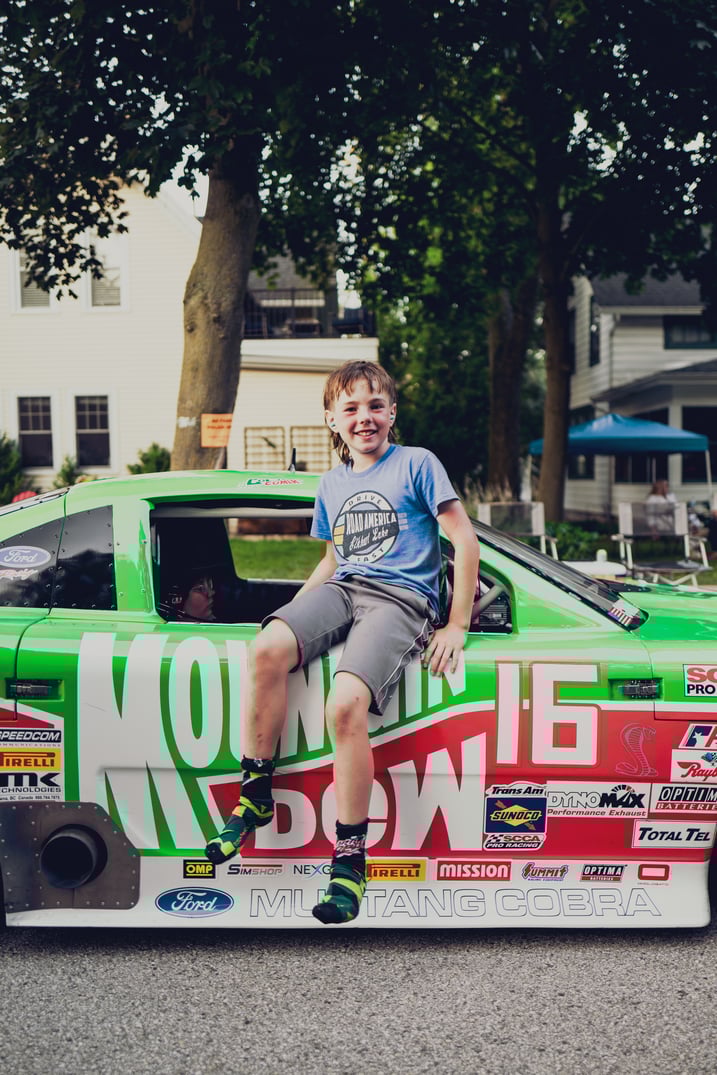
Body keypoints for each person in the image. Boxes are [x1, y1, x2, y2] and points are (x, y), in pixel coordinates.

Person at [204, 360, 480, 924]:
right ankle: (255, 793)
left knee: (345, 704)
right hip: (345, 588)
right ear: (331, 419)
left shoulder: (418, 464)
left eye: (375, 406)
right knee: (266, 647)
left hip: (402, 602)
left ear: (392, 412)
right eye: (350, 409)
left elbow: (464, 538)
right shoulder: (332, 482)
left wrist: (457, 625)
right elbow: (333, 560)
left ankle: (350, 859)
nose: (365, 418)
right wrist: (291, 617)